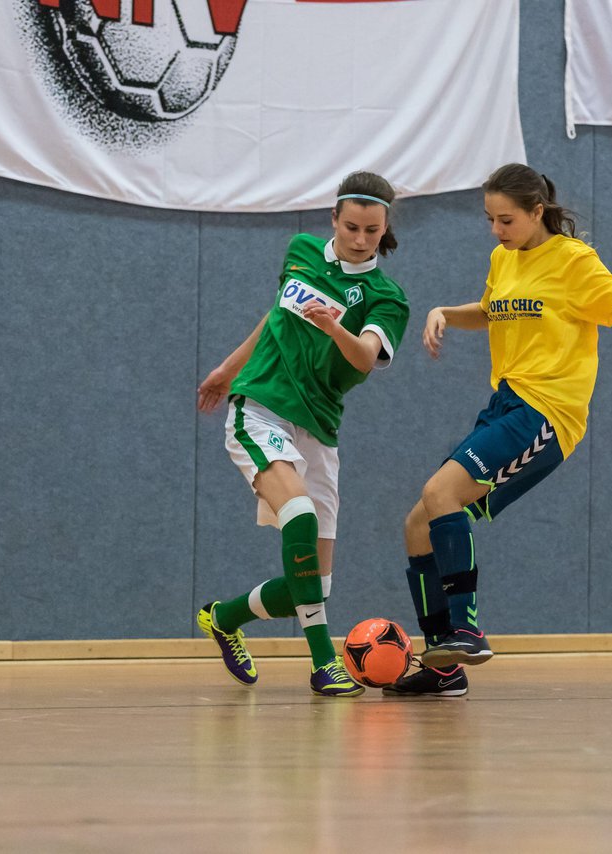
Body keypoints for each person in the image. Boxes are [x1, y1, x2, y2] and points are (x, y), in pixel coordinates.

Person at [384, 163, 612, 698]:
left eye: (507, 219)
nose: (497, 229)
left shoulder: (575, 262)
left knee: (440, 494)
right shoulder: (503, 258)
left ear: (537, 211)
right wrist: (444, 313)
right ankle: (443, 667)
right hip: (504, 404)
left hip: (546, 411)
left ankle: (467, 631)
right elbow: (494, 311)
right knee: (418, 523)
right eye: (490, 220)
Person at [195, 171, 410, 697]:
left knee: (314, 583)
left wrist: (334, 326)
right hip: (262, 405)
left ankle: (222, 616)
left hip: (319, 427)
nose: (361, 239)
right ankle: (322, 663)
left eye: (372, 230)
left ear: (385, 230)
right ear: (333, 220)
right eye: (352, 226)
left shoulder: (387, 297)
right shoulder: (301, 250)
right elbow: (275, 316)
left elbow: (364, 356)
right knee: (298, 513)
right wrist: (227, 369)